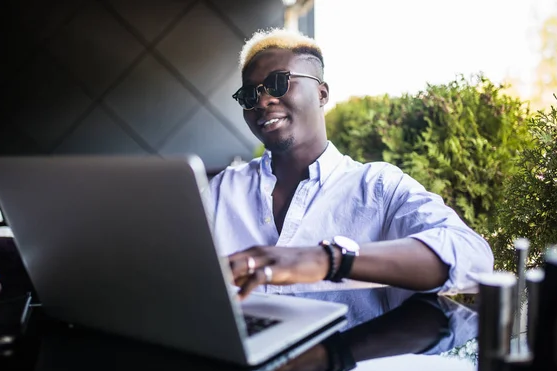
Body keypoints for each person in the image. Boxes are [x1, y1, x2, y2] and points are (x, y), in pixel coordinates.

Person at [208, 28, 493, 300]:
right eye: (250, 94)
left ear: (322, 94)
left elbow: (473, 257)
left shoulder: (377, 187)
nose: (263, 100)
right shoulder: (222, 189)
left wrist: (328, 260)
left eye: (277, 83)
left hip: (345, 350)